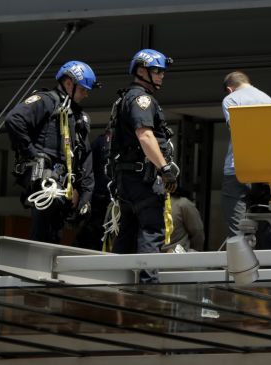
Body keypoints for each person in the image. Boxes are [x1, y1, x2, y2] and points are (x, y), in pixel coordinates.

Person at [5, 60, 96, 244]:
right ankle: (37, 270)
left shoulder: (80, 118)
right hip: (46, 181)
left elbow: (86, 159)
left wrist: (86, 197)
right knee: (43, 235)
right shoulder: (46, 100)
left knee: (56, 236)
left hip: (66, 188)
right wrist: (32, 154)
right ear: (69, 83)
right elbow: (14, 120)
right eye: (83, 89)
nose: (86, 94)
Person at [110, 48, 179, 280]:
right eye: (156, 71)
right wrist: (165, 169)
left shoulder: (124, 99)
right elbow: (145, 136)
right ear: (141, 71)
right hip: (144, 181)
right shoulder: (142, 99)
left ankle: (114, 291)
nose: (161, 75)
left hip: (127, 181)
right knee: (151, 234)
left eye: (162, 72)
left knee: (126, 238)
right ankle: (149, 298)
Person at [221, 71, 271, 238]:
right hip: (267, 172)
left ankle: (241, 262)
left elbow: (238, 130)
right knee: (266, 226)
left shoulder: (231, 99)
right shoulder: (270, 101)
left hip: (238, 170)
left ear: (230, 89)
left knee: (238, 231)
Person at [73, 130, 110, 250]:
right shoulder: (100, 143)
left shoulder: (102, 143)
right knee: (93, 231)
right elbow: (88, 170)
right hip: (99, 196)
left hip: (107, 196)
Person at [161, 187, 205, 252]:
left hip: (178, 253)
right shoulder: (149, 204)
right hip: (152, 254)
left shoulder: (182, 204)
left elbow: (197, 232)